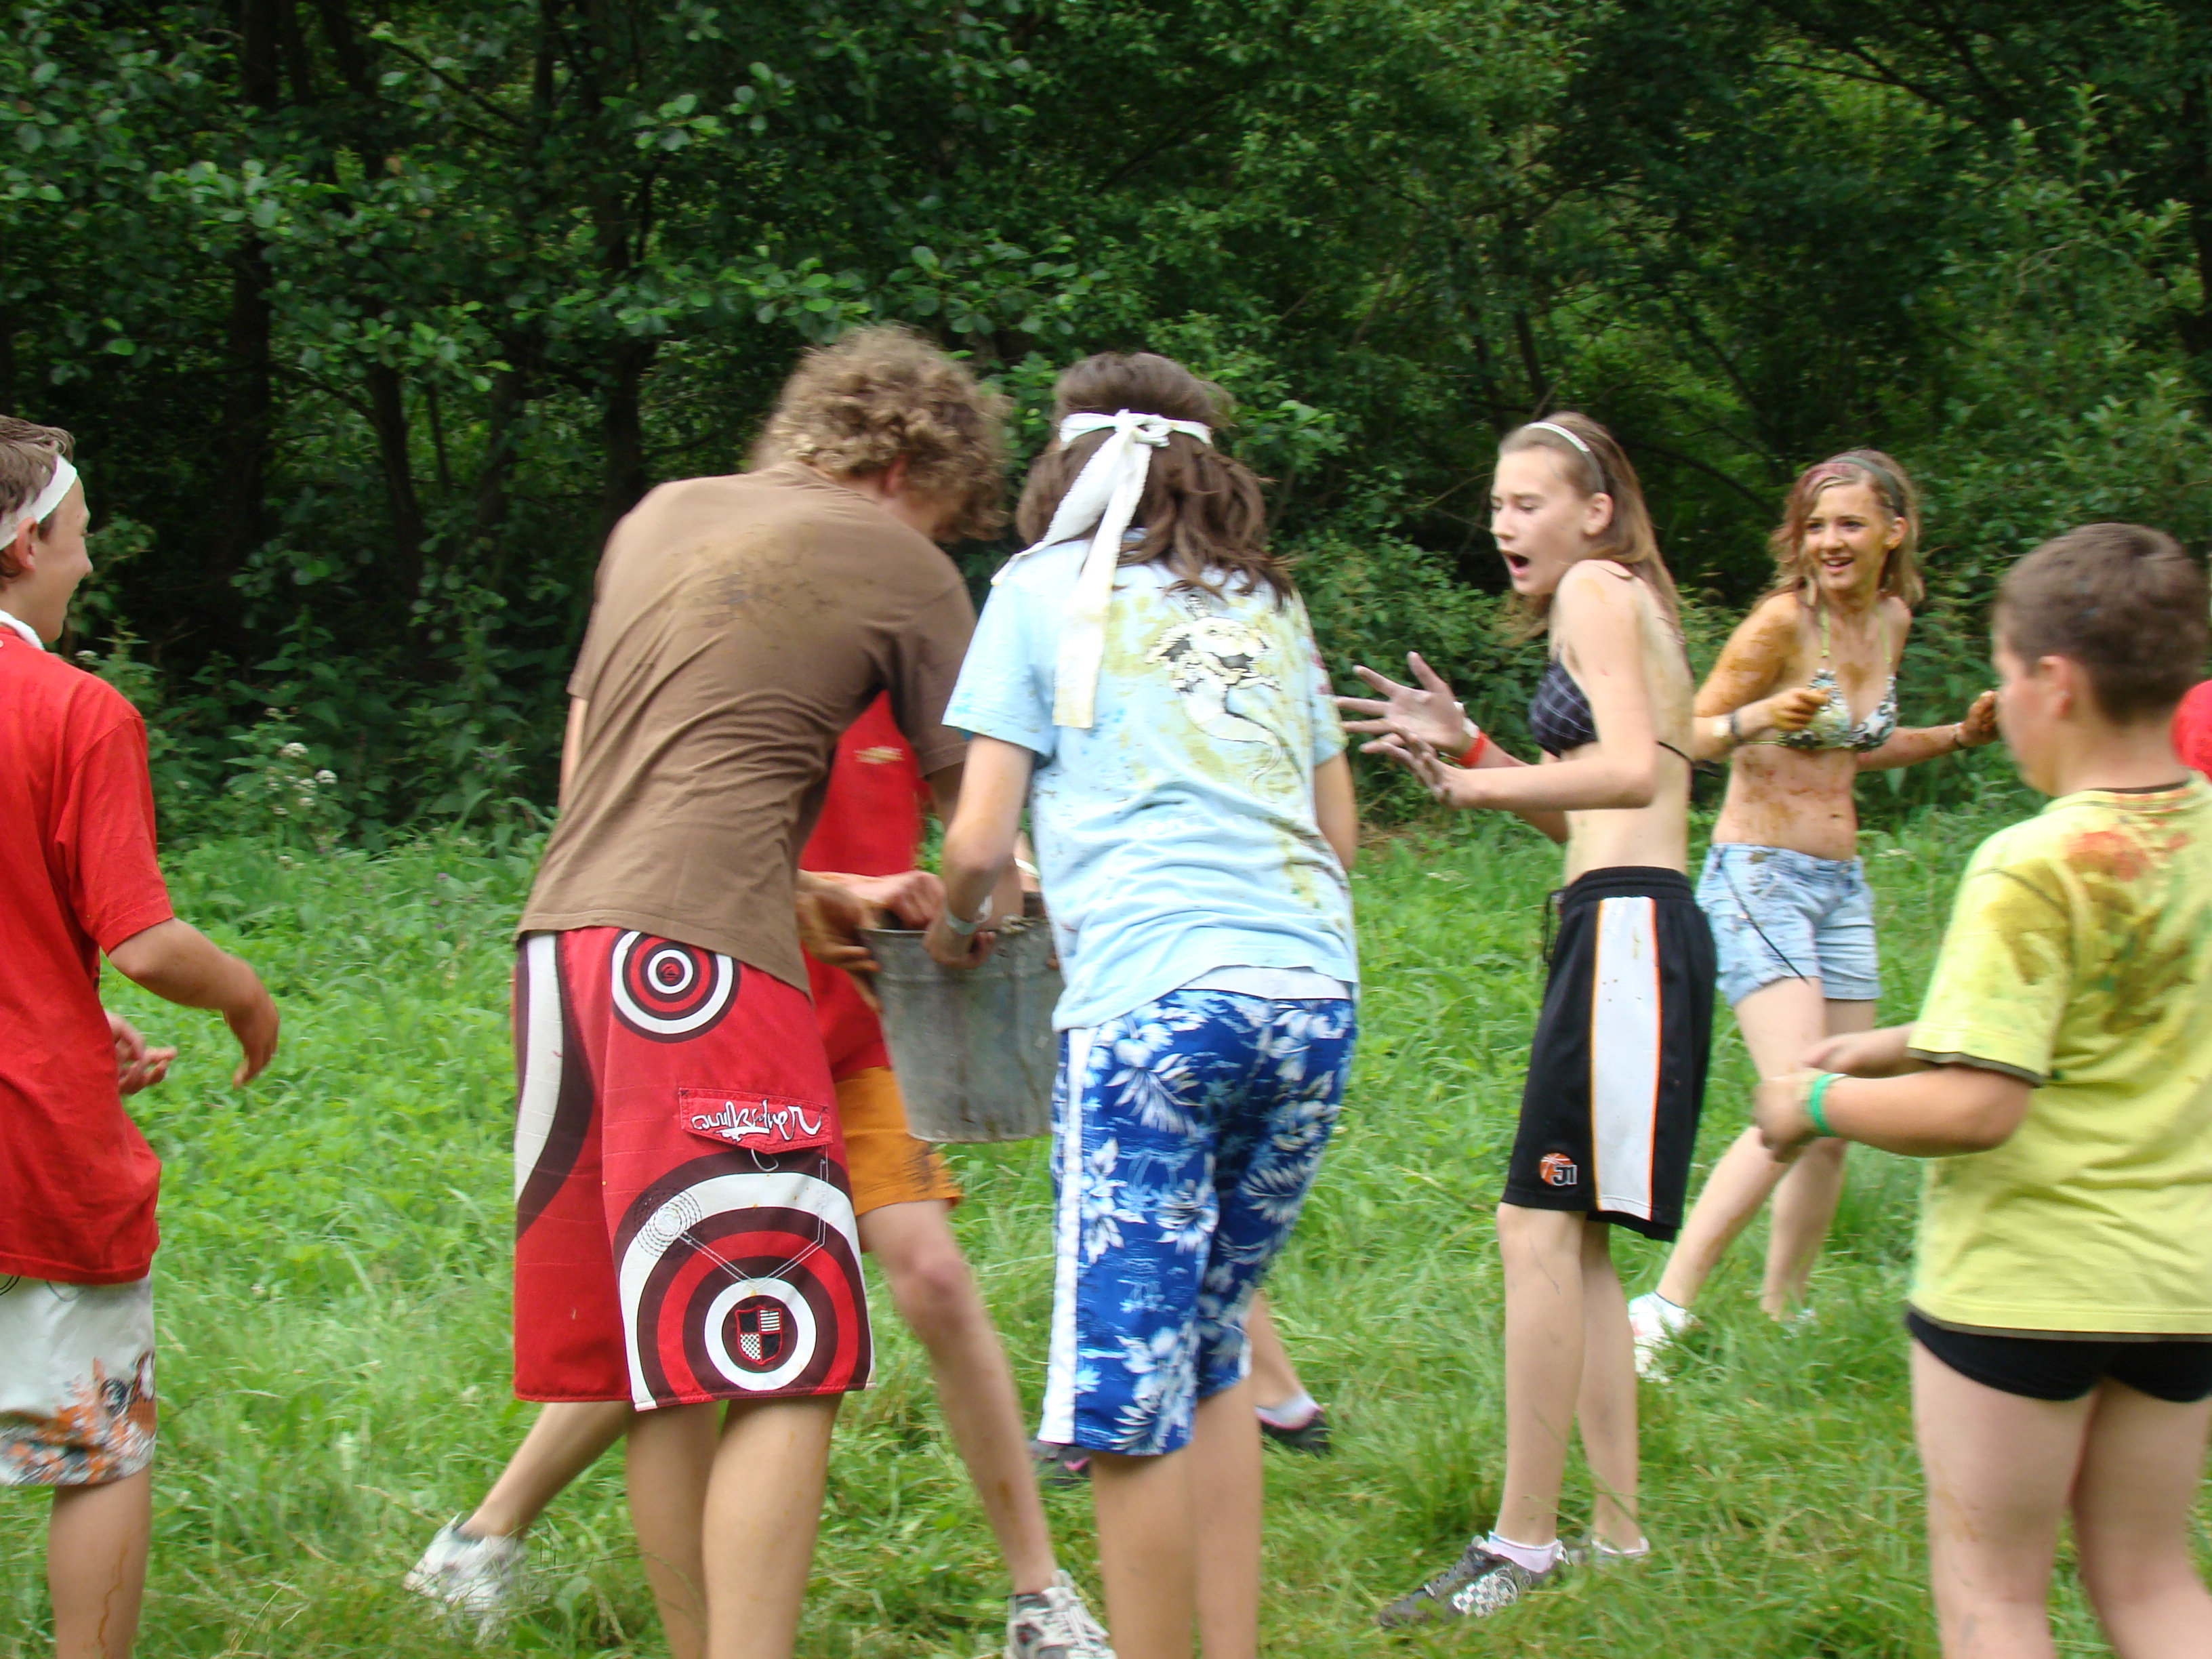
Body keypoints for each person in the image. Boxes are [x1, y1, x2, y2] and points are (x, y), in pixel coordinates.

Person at [487, 327, 1052, 1659]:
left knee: (670, 1360)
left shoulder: (659, 517)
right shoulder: (900, 562)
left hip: (565, 959)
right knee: (782, 1349)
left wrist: (819, 893)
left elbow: (601, 795)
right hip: (700, 980)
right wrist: (981, 928)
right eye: (944, 514)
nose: (941, 542)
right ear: (906, 467)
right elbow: (981, 840)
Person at [408, 694, 1108, 1659]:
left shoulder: (901, 660)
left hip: (862, 1041)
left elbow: (977, 820)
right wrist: (833, 885)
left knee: (934, 1277)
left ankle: (1040, 1598)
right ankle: (488, 1535)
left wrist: (1020, 882)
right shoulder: (732, 675)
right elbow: (638, 844)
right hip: (727, 1031)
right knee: (711, 1306)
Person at [928, 352, 1359, 1659]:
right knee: (1215, 1348)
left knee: (1125, 1399)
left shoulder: (1039, 590)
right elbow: (1336, 832)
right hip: (1311, 1002)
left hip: (1153, 1017)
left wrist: (958, 927)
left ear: (1065, 468)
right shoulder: (1270, 604)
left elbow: (978, 841)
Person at [1754, 523, 2212, 1659]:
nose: (1997, 706)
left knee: (1993, 1597)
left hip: (2025, 1288)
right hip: (2181, 1287)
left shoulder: (2032, 863)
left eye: (2004, 678)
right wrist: (1898, 1043)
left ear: (2055, 685)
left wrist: (1810, 1107)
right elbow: (2124, 1015)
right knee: (2153, 1582)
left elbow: (1978, 1109)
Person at [1349, 413, 1706, 1626]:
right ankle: (1615, 1535)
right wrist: (1479, 744)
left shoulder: (1597, 591)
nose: (1504, 524)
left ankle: (1524, 1543)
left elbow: (1632, 771)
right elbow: (1587, 811)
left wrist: (1464, 781)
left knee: (1535, 1226)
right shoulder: (1620, 596)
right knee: (1575, 1236)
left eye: (1528, 502)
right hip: (1619, 923)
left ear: (1595, 510)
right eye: (1497, 504)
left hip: (1630, 934)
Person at [0, 419, 279, 1659]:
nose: (90, 561)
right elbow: (148, 944)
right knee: (98, 1444)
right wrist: (244, 995)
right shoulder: (76, 711)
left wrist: (65, 1008)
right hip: (32, 1144)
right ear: (23, 545)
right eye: (79, 534)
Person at [1622, 451, 1999, 1366]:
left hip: (1840, 885)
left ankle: (1781, 1311)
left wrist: (1958, 736)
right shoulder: (1781, 623)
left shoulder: (1891, 620)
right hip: (1759, 877)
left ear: (1893, 533)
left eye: (1850, 525)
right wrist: (1758, 718)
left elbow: (1853, 747)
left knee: (1841, 1110)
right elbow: (1680, 735)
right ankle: (1662, 1309)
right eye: (1816, 526)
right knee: (1799, 1099)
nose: (1830, 542)